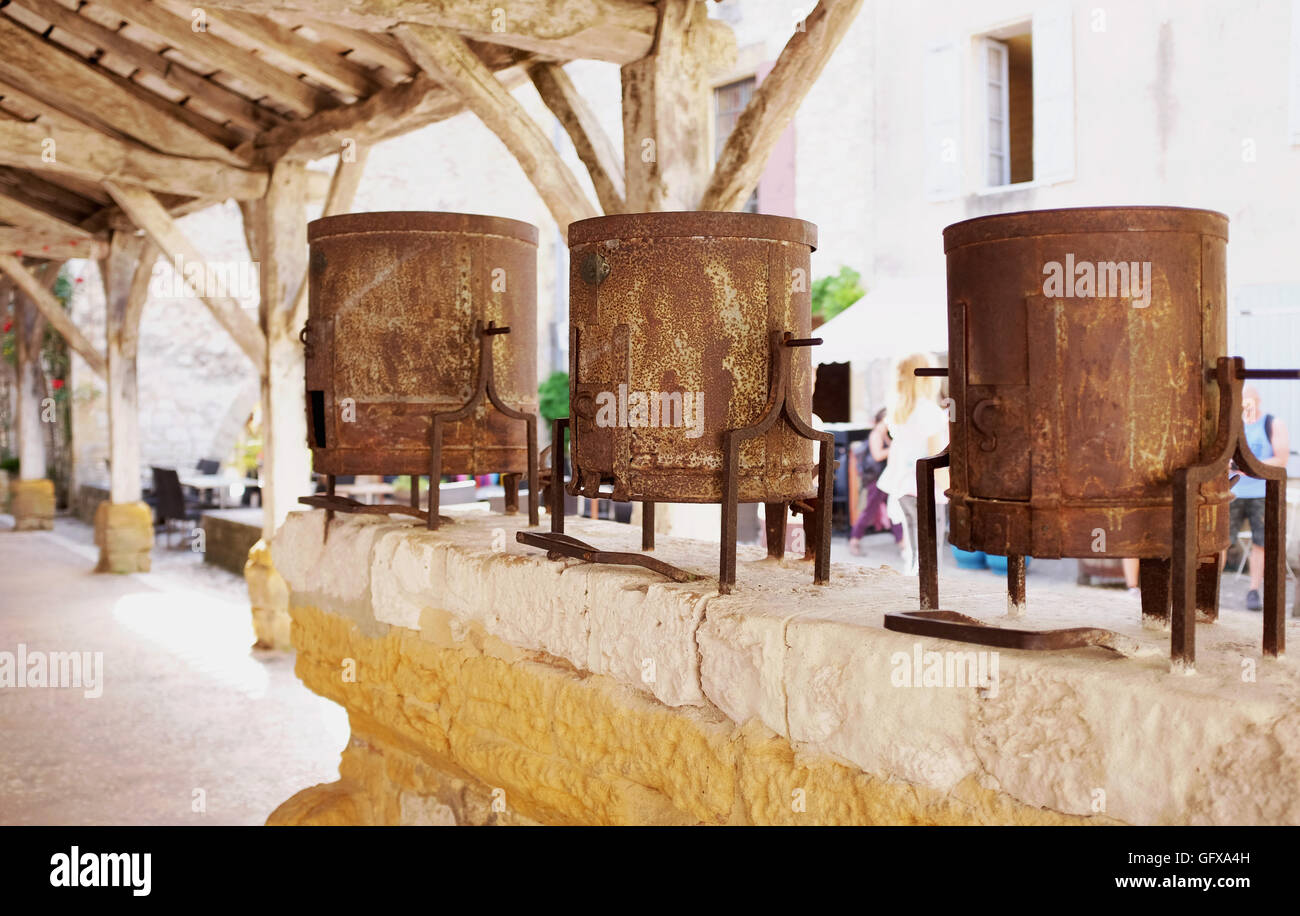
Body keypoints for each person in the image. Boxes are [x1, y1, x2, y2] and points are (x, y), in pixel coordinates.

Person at [875, 353, 950, 575]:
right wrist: (950, 488)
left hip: (903, 485)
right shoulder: (930, 412)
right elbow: (935, 457)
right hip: (927, 489)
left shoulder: (899, 411)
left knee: (915, 549)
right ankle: (927, 600)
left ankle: (913, 594)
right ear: (927, 378)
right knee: (931, 553)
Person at [1224, 386, 1290, 611]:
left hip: (1261, 494)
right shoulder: (1233, 426)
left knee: (1260, 544)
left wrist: (1248, 467)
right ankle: (1209, 587)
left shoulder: (1272, 424)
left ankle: (1253, 590)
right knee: (1221, 541)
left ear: (1257, 401)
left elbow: (1281, 459)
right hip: (1232, 492)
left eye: (1249, 402)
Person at [848, 408, 901, 555]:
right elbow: (877, 455)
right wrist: (895, 449)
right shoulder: (876, 435)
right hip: (875, 479)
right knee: (870, 511)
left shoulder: (884, 434)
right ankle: (854, 540)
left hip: (885, 477)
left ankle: (902, 542)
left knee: (893, 509)